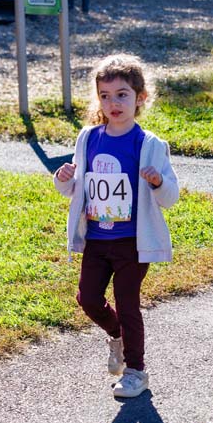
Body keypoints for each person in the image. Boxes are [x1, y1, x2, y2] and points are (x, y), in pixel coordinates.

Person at [53, 54, 179, 398]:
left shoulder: (149, 144)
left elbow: (171, 196)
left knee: (127, 302)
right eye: (105, 96)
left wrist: (156, 182)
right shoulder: (89, 138)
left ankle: (136, 371)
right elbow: (75, 187)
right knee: (88, 299)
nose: (113, 103)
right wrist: (63, 177)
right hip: (96, 237)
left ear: (141, 98)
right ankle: (118, 338)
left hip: (132, 242)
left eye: (122, 94)